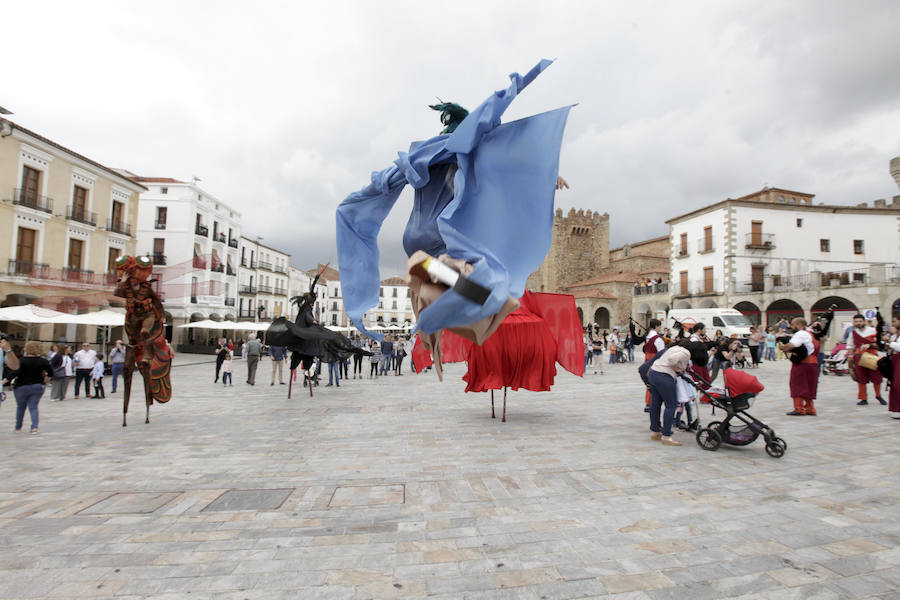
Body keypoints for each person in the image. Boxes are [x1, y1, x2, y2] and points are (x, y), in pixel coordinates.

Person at [647, 343, 691, 446]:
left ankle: (655, 431)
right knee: (671, 405)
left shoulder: (675, 348)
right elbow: (672, 360)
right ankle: (666, 435)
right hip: (664, 376)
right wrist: (677, 369)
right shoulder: (686, 352)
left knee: (655, 404)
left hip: (654, 372)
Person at [778, 317, 819, 416]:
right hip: (813, 363)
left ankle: (799, 408)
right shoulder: (811, 333)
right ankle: (810, 408)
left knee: (797, 384)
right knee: (809, 385)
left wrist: (783, 348)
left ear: (799, 325)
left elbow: (792, 345)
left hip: (802, 363)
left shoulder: (800, 334)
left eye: (793, 324)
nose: (791, 327)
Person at [13, 341, 53, 433]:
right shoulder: (43, 361)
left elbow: (16, 372)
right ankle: (34, 427)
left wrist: (5, 380)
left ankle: (18, 427)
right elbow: (51, 373)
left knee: (20, 407)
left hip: (21, 386)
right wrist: (46, 377)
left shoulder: (21, 360)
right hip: (37, 386)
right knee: (33, 407)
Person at [846, 313, 886, 406]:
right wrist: (851, 355)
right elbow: (850, 345)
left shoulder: (873, 330)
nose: (858, 323)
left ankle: (878, 395)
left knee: (877, 377)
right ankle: (863, 398)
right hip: (859, 358)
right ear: (853, 323)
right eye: (856, 322)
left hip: (872, 357)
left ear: (864, 321)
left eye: (860, 321)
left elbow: (880, 344)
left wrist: (870, 345)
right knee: (861, 378)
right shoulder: (853, 333)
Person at [641, 319, 665, 412]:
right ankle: (653, 403)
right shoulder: (657, 338)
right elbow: (661, 352)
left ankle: (648, 402)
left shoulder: (647, 337)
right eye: (659, 326)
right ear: (656, 326)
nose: (660, 328)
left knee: (649, 383)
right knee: (655, 384)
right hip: (655, 362)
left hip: (647, 360)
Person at [887, 312, 900, 419]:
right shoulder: (896, 335)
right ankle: (896, 409)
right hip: (895, 360)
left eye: (895, 321)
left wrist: (889, 342)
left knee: (898, 383)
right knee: (894, 385)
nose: (893, 324)